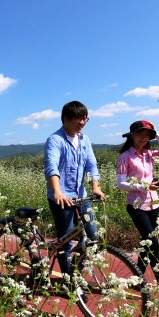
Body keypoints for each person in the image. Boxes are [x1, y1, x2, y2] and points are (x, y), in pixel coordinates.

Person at [116, 120, 159, 304]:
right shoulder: (125, 157)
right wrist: (144, 185)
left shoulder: (150, 154)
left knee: (147, 244)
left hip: (154, 203)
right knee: (154, 245)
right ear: (131, 136)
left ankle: (137, 280)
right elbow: (121, 183)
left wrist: (157, 133)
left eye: (147, 136)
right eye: (139, 134)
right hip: (136, 205)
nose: (143, 138)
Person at [44, 101, 106, 276]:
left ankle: (76, 271)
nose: (82, 122)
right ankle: (69, 280)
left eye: (85, 118)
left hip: (81, 197)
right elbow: (51, 166)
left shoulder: (84, 139)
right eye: (78, 118)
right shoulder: (55, 140)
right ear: (65, 119)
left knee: (93, 236)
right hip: (62, 198)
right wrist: (57, 191)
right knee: (66, 241)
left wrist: (96, 187)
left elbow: (91, 166)